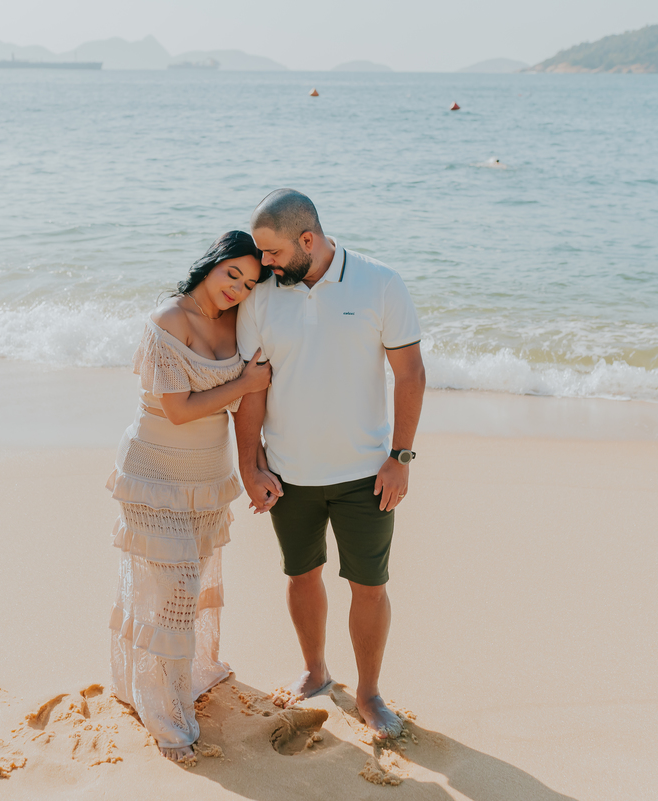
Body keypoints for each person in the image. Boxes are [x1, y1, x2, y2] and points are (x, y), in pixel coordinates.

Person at [234, 189, 427, 740]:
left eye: (271, 254)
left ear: (308, 240)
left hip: (365, 475)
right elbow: (252, 389)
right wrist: (251, 466)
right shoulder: (262, 298)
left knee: (369, 585)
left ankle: (368, 693)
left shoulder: (380, 283)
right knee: (301, 574)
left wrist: (400, 458)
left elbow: (410, 373)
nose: (262, 265)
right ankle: (316, 671)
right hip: (289, 476)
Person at [107, 231, 273, 762]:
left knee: (187, 584)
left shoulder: (238, 323)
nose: (238, 289)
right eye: (233, 275)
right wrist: (246, 383)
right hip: (153, 473)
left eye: (249, 284)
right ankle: (165, 715)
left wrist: (256, 464)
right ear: (212, 264)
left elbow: (252, 398)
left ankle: (171, 686)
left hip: (206, 476)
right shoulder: (169, 319)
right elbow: (178, 409)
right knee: (175, 592)